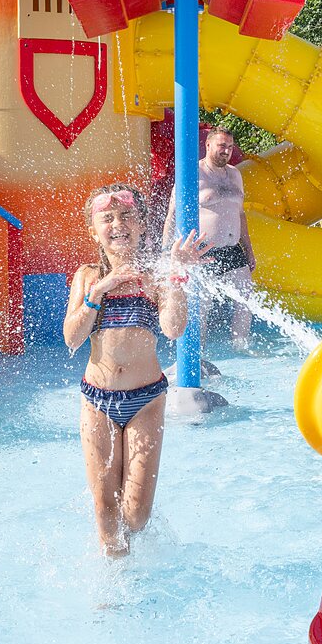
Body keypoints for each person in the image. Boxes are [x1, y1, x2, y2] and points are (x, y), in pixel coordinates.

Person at [63, 184, 210, 557]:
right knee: (105, 509)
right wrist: (100, 291)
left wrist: (177, 275)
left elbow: (174, 328)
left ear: (143, 224)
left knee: (137, 514)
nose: (118, 223)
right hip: (97, 400)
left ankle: (134, 552)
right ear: (92, 230)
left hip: (145, 400)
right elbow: (72, 337)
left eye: (127, 216)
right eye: (107, 218)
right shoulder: (87, 275)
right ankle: (113, 585)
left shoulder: (157, 274)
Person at [162, 127, 256, 348]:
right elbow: (172, 213)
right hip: (203, 251)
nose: (226, 151)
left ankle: (239, 347)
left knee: (246, 301)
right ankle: (198, 354)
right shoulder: (193, 174)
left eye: (230, 147)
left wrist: (249, 249)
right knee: (200, 307)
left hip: (232, 249)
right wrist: (167, 252)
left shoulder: (235, 174)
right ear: (208, 145)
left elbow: (240, 214)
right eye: (222, 146)